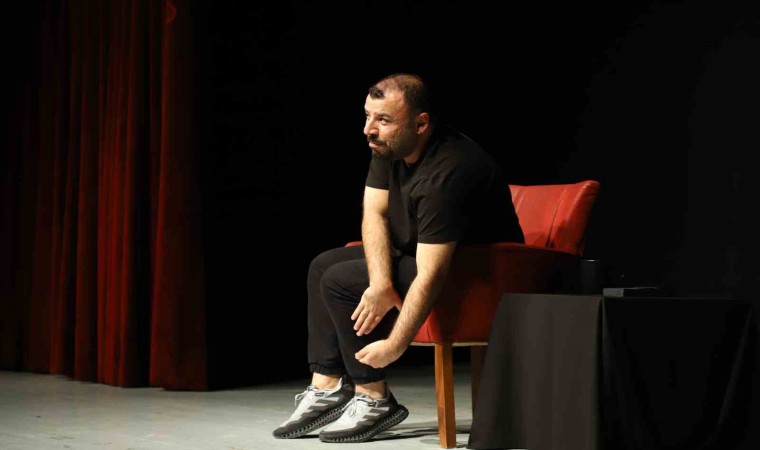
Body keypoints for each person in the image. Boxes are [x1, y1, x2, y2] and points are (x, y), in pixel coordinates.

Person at [272, 72, 525, 443]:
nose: (369, 130)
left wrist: (395, 345)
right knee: (322, 265)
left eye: (384, 119)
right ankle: (327, 385)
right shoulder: (389, 147)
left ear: (421, 123)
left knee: (339, 280)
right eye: (367, 116)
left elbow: (432, 272)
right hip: (426, 258)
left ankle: (373, 396)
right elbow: (375, 213)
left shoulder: (449, 171)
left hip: (477, 275)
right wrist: (380, 283)